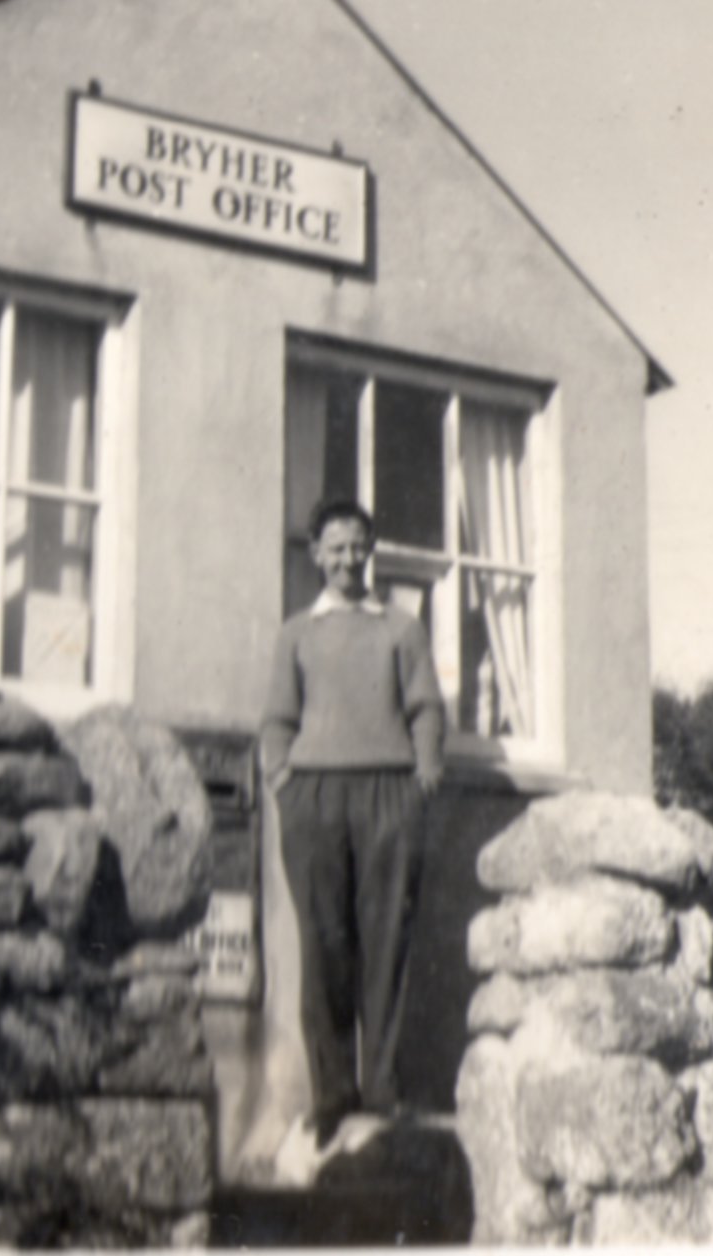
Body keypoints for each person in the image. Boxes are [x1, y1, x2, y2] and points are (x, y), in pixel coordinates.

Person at [259, 496, 446, 1172]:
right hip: (313, 798)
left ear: (372, 550)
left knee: (386, 944)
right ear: (315, 553)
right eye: (334, 547)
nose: (346, 558)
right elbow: (277, 719)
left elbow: (426, 707)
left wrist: (422, 779)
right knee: (324, 944)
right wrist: (282, 780)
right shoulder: (296, 634)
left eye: (357, 545)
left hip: (388, 795)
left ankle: (381, 1089)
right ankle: (332, 1092)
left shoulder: (401, 628)